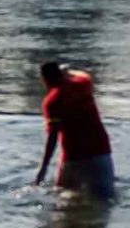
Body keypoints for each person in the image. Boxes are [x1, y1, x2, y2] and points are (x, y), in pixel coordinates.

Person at [34, 62, 114, 199]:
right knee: (105, 200)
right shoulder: (83, 84)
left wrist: (43, 167)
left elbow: (53, 137)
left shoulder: (52, 102)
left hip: (73, 158)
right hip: (100, 152)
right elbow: (83, 74)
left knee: (61, 198)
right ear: (62, 74)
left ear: (43, 80)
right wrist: (69, 71)